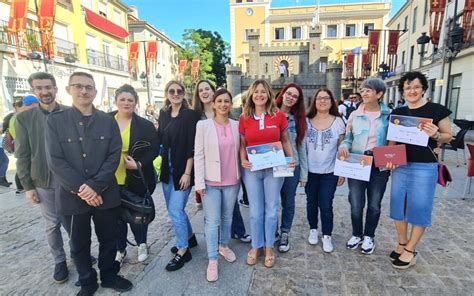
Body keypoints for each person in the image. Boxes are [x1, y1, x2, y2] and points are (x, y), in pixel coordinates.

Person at [46, 72, 133, 295]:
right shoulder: (55, 121)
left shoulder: (107, 121)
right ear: (69, 90)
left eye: (88, 87)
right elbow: (55, 160)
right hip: (72, 196)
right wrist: (83, 189)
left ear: (95, 91)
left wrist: (95, 185)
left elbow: (114, 156)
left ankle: (109, 275)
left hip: (105, 192)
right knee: (79, 244)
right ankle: (87, 281)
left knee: (109, 239)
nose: (83, 91)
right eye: (78, 86)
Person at [388, 71, 452, 269]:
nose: (412, 91)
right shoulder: (398, 113)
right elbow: (392, 141)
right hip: (401, 166)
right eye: (408, 88)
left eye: (416, 87)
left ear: (423, 89)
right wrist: (389, 158)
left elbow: (448, 136)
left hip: (425, 166)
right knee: (398, 205)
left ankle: (411, 250)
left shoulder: (436, 110)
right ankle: (401, 242)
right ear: (403, 92)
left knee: (419, 207)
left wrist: (437, 136)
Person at [14, 73, 69, 283]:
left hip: (69, 179)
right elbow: (22, 154)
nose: (44, 92)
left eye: (48, 87)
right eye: (39, 88)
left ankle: (78, 252)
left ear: (55, 89)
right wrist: (28, 186)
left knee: (72, 221)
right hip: (43, 180)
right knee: (52, 224)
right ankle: (59, 261)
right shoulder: (24, 119)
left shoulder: (70, 113)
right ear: (34, 91)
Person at [239, 79, 295, 268]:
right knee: (255, 211)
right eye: (256, 92)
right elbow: (243, 144)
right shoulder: (244, 117)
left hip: (275, 168)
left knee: (272, 209)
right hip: (253, 170)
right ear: (251, 95)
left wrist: (291, 157)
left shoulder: (278, 116)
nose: (260, 95)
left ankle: (269, 246)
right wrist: (242, 159)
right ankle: (256, 246)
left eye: (263, 91)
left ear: (269, 94)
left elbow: (285, 140)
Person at [338, 77, 391, 255]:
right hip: (357, 162)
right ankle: (356, 234)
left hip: (379, 163)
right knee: (355, 202)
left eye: (368, 90)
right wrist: (344, 146)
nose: (364, 93)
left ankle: (369, 236)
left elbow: (395, 141)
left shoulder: (388, 116)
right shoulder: (355, 114)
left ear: (379, 94)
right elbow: (348, 138)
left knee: (374, 203)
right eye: (363, 90)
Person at [194, 88, 241, 282]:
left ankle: (223, 246)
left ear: (231, 105)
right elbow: (198, 154)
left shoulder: (237, 125)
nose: (223, 104)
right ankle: (212, 259)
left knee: (227, 217)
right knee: (212, 221)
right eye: (219, 101)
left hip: (232, 180)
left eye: (226, 101)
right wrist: (199, 183)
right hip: (211, 182)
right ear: (213, 104)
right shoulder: (203, 126)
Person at [111, 85, 159, 265]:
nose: (126, 103)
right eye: (122, 99)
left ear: (135, 103)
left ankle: (142, 244)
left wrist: (139, 164)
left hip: (135, 177)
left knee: (137, 214)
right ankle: (120, 248)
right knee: (116, 217)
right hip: (111, 177)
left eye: (130, 100)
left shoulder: (144, 125)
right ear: (116, 101)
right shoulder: (106, 121)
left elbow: (154, 149)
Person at [157, 80, 199, 271]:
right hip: (167, 170)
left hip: (184, 170)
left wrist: (188, 173)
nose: (175, 93)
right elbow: (161, 141)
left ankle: (183, 250)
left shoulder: (190, 115)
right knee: (175, 210)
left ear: (184, 94)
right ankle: (190, 238)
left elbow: (193, 144)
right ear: (167, 93)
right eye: (172, 90)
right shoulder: (164, 114)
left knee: (175, 210)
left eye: (179, 91)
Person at [305, 88, 346, 253]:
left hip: (330, 172)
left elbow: (342, 147)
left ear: (332, 101)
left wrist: (342, 171)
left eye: (326, 98)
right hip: (310, 171)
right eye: (319, 98)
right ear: (314, 101)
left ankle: (327, 235)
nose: (322, 101)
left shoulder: (338, 122)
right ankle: (313, 229)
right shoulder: (306, 121)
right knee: (311, 203)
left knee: (326, 204)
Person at [273, 83, 308, 253]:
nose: (290, 97)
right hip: (271, 163)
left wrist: (304, 174)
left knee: (288, 201)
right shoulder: (269, 113)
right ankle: (272, 231)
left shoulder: (299, 120)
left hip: (290, 165)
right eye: (289, 93)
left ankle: (285, 232)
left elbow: (301, 147)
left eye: (295, 96)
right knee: (271, 201)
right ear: (282, 93)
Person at [192, 80, 216, 209]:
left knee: (230, 208)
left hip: (224, 165)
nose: (204, 92)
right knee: (210, 209)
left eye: (207, 89)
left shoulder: (223, 111)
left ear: (213, 91)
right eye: (200, 90)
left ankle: (237, 230)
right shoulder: (195, 116)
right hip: (205, 166)